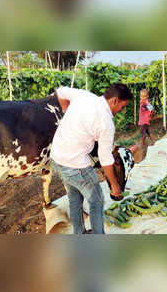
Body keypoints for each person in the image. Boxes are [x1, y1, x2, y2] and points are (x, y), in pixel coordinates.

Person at [50, 83, 132, 234]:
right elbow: (106, 159)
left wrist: (66, 110)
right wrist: (115, 186)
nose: (121, 111)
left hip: (56, 158)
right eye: (123, 106)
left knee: (75, 199)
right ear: (115, 100)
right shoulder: (106, 122)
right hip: (75, 166)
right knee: (97, 200)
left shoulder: (85, 96)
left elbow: (60, 92)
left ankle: (79, 233)